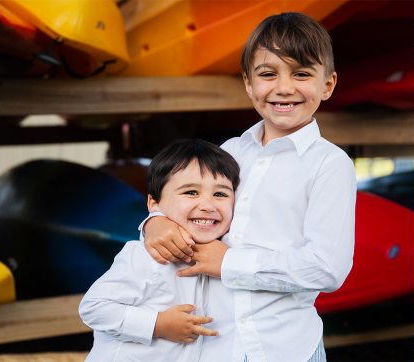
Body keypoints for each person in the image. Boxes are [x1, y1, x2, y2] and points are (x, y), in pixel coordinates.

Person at [138, 12, 356, 362]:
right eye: (268, 74)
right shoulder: (229, 152)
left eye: (301, 74)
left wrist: (231, 263)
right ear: (248, 84)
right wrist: (156, 222)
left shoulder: (330, 165)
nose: (284, 88)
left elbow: (326, 268)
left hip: (287, 348)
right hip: (214, 346)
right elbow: (187, 206)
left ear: (327, 85)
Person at [78, 139, 241, 361]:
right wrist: (158, 324)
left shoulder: (226, 256)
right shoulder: (145, 256)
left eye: (220, 194)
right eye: (191, 192)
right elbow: (93, 308)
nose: (208, 205)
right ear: (154, 204)